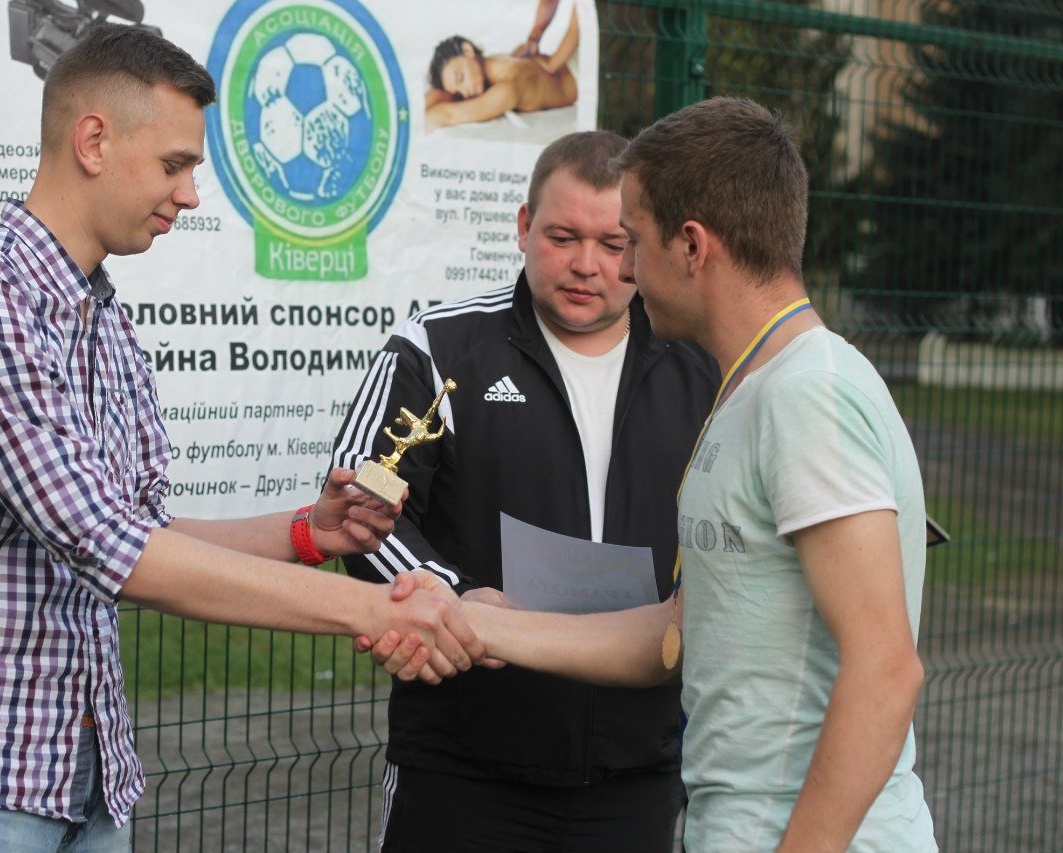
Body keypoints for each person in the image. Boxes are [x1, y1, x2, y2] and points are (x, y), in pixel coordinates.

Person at [0, 24, 482, 851]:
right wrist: (375, 607)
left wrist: (306, 534)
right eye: (175, 164)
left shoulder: (102, 318)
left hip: (78, 775)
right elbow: (107, 544)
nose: (190, 194)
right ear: (93, 142)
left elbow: (139, 528)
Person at [381, 97, 938, 852]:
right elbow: (676, 630)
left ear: (692, 246)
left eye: (632, 241)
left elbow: (886, 670)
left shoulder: (809, 396)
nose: (621, 269)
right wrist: (469, 619)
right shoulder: (749, 388)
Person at [332, 131, 718, 852]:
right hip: (463, 761)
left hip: (639, 765)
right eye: (562, 237)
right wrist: (455, 600)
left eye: (614, 244)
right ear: (523, 226)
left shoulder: (701, 365)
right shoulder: (436, 349)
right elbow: (361, 511)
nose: (586, 265)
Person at [424, 6, 579, 132]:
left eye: (460, 78)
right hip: (575, 58)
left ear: (467, 50)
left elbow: (447, 115)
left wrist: (553, 62)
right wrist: (534, 39)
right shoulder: (501, 61)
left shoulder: (508, 88)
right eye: (458, 93)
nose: (465, 93)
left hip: (584, 72)